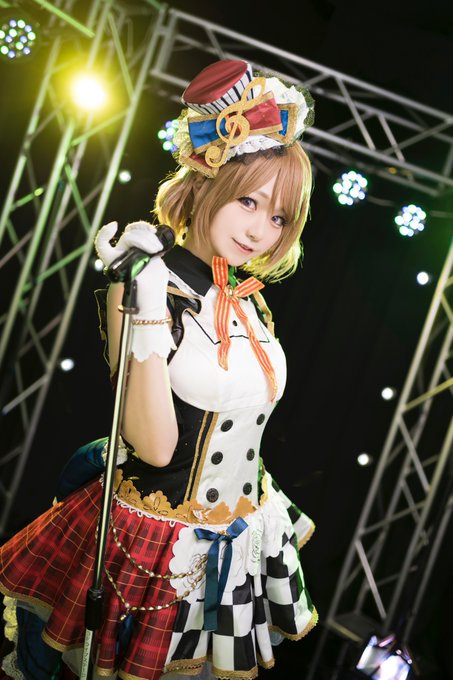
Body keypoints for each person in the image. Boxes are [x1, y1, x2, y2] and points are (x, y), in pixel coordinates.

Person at [0, 58, 317, 680]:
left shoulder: (250, 301)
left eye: (278, 216)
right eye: (248, 201)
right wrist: (143, 301)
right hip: (152, 543)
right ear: (205, 185)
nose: (260, 229)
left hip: (238, 540)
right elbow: (156, 445)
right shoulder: (145, 284)